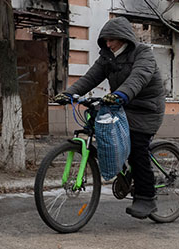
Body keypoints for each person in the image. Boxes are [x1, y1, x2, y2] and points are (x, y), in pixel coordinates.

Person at [53, 16, 165, 219]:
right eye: (106, 40)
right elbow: (90, 77)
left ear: (124, 38)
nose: (108, 43)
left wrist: (121, 94)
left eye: (112, 39)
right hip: (122, 106)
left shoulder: (143, 54)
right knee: (107, 134)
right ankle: (123, 170)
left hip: (146, 109)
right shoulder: (107, 58)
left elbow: (139, 77)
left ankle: (147, 198)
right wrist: (69, 94)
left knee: (137, 147)